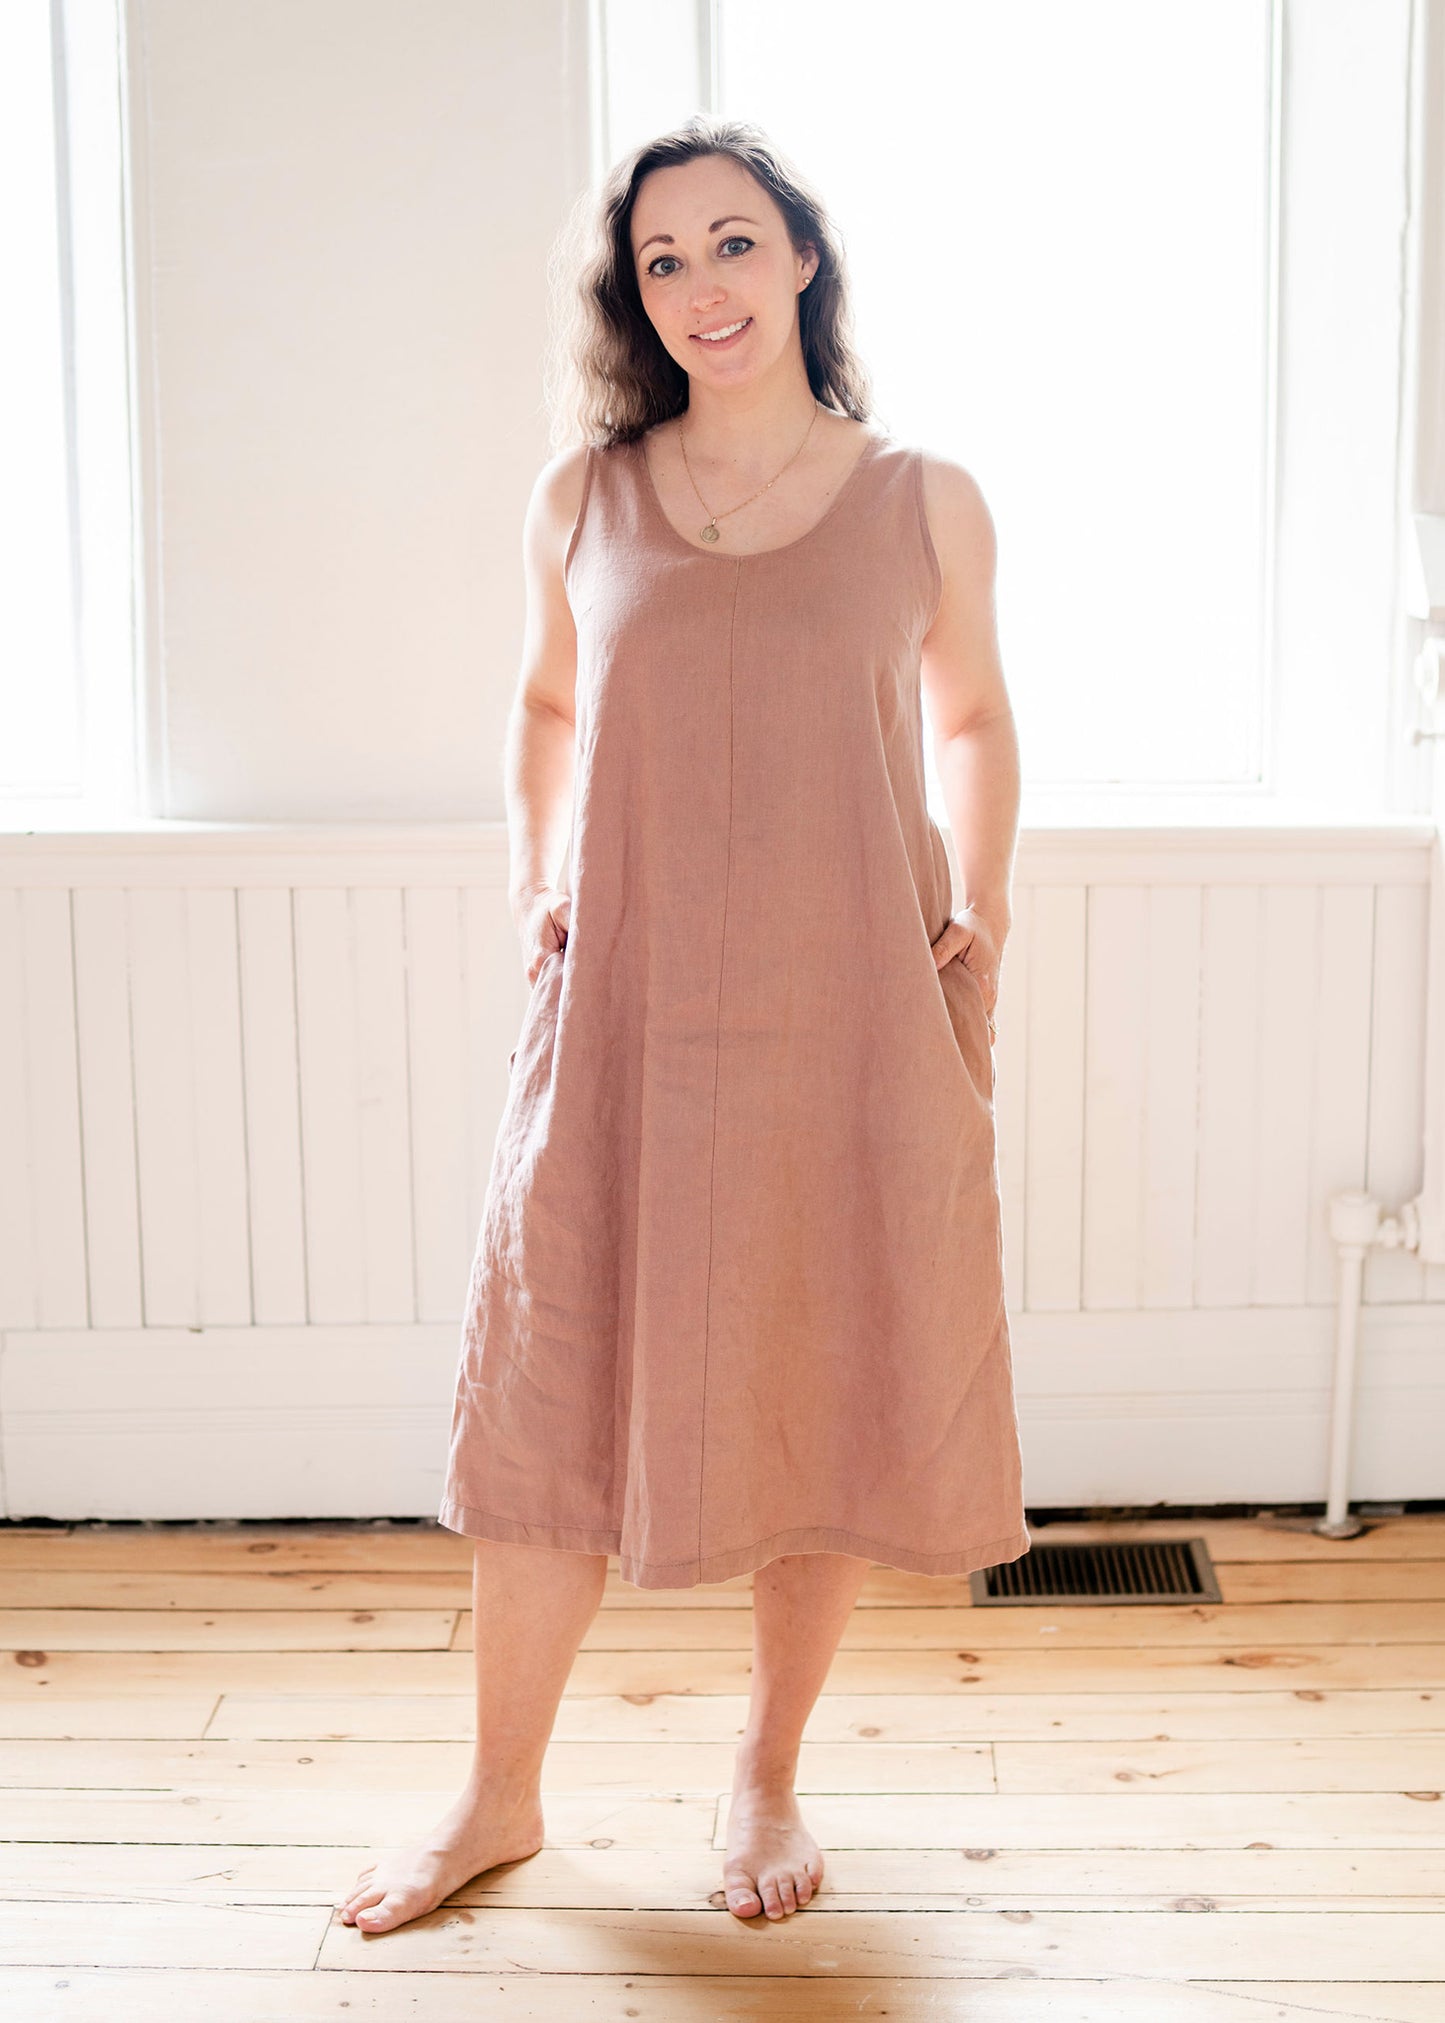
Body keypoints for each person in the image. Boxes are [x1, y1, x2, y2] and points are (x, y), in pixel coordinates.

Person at [337, 113, 1028, 1938]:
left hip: (853, 1000)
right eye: (661, 261)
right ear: (633, 301)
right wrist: (530, 878)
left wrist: (984, 898)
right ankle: (497, 1798)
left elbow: (969, 718)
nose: (700, 286)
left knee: (816, 1357)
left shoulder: (920, 498)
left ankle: (765, 1772)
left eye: (730, 244)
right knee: (552, 1378)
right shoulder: (583, 499)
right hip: (626, 1000)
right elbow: (543, 707)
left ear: (799, 258)